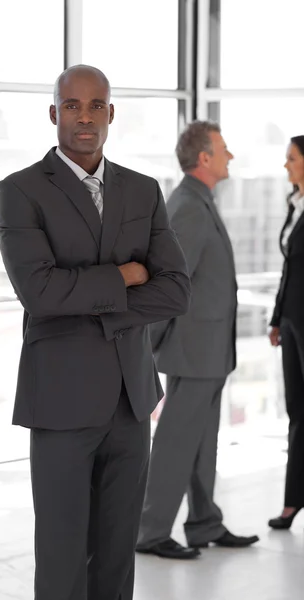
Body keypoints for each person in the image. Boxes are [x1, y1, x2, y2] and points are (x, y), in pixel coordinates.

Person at [0, 65, 190, 600]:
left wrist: (89, 297)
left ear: (110, 113)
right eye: (74, 105)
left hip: (131, 402)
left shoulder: (143, 190)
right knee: (61, 560)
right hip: (60, 401)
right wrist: (126, 275)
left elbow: (176, 290)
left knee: (116, 558)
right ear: (54, 112)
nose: (85, 117)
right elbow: (39, 294)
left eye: (96, 105)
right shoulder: (20, 191)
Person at [136, 121, 259, 560]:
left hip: (207, 349)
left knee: (204, 441)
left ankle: (204, 521)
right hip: (192, 350)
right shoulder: (188, 204)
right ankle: (149, 531)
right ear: (203, 158)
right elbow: (170, 282)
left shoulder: (199, 200)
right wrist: (148, 350)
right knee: (175, 443)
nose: (230, 156)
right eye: (223, 149)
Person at [268, 135, 304, 530]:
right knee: (297, 412)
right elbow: (288, 269)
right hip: (293, 323)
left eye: (291, 158)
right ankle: (293, 500)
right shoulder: (293, 204)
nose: (286, 165)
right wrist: (277, 318)